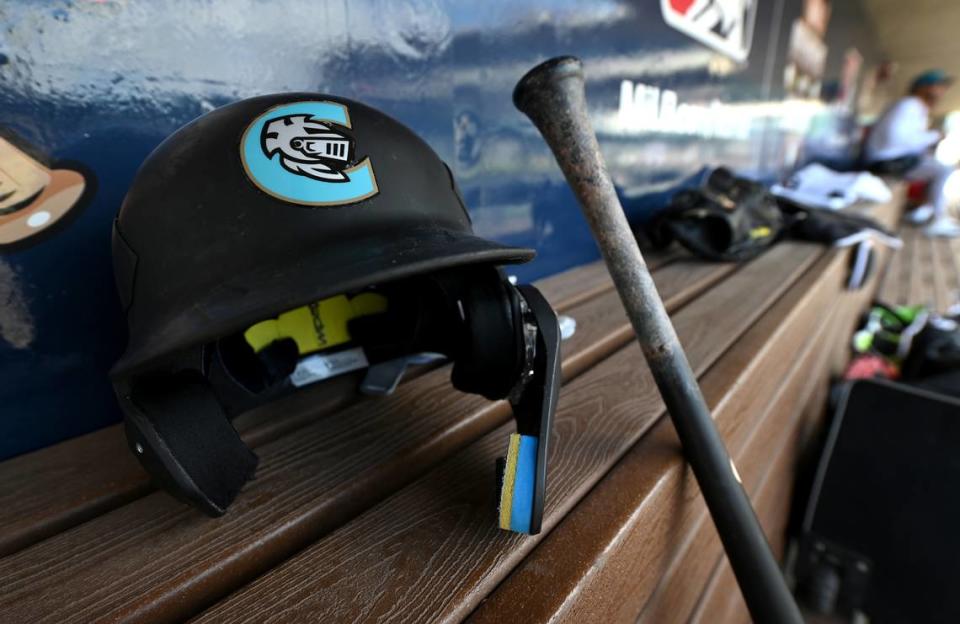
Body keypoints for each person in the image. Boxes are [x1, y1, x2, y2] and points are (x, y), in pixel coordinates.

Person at [865, 70, 959, 237]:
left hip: (893, 160)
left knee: (936, 166)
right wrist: (933, 135)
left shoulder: (918, 109)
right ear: (923, 88)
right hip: (884, 161)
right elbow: (894, 138)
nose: (941, 91)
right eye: (938, 86)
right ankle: (937, 219)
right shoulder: (908, 105)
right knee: (943, 169)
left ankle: (925, 210)